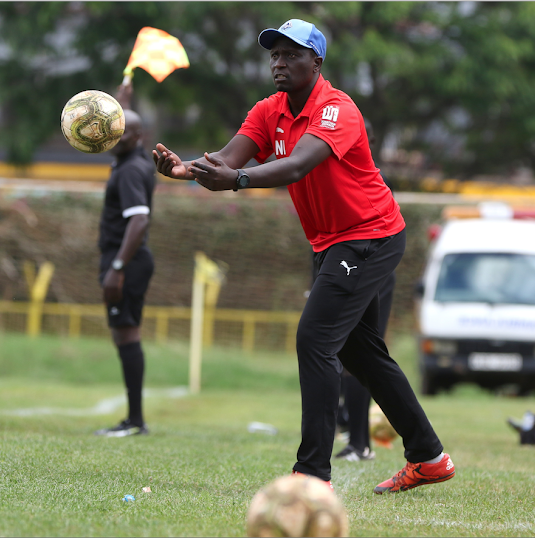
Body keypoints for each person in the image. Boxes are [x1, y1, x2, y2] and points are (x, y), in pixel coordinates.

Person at [153, 18, 454, 493]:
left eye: (291, 54)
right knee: (363, 353)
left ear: (316, 62)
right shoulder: (268, 110)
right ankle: (429, 456)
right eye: (274, 54)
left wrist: (240, 182)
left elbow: (297, 165)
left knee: (315, 339)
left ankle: (312, 475)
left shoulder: (337, 109)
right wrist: (186, 169)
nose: (279, 62)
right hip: (332, 242)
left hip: (370, 235)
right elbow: (227, 161)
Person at [94, 82, 156, 437]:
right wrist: (122, 104)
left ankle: (135, 421)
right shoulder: (130, 155)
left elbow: (139, 219)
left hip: (126, 261)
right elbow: (128, 124)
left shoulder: (131, 168)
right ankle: (134, 419)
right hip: (124, 259)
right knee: (122, 335)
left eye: (118, 133)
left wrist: (117, 269)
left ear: (136, 137)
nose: (110, 137)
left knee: (127, 333)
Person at [334, 118, 395, 463]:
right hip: (342, 270)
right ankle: (350, 432)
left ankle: (360, 443)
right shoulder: (333, 172)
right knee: (340, 353)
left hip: (372, 273)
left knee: (360, 356)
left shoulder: (370, 178)